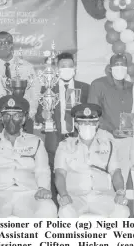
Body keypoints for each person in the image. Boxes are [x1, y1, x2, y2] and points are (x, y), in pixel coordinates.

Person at [0, 95, 56, 218]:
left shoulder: (36, 142)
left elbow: (42, 170)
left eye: (16, 115)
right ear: (1, 118)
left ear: (23, 119)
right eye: (7, 115)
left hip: (28, 194)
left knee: (48, 208)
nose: (11, 119)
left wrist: (43, 188)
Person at [54, 103, 130, 218]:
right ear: (76, 125)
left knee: (123, 211)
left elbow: (116, 172)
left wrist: (120, 192)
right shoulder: (65, 146)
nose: (87, 126)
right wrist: (63, 195)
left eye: (91, 123)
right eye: (83, 123)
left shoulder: (108, 145)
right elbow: (60, 174)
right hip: (74, 197)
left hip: (103, 197)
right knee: (65, 213)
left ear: (97, 124)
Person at [35, 52, 89, 204]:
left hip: (78, 140)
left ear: (75, 68)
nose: (67, 69)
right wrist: (44, 115)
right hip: (55, 141)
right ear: (57, 69)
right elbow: (39, 116)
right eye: (63, 66)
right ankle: (53, 211)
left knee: (76, 177)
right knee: (54, 177)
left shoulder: (84, 88)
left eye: (70, 66)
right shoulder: (48, 88)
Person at [0, 31, 41, 134]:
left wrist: (30, 113)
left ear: (12, 45)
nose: (2, 45)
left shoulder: (26, 67)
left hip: (23, 121)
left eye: (6, 42)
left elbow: (35, 92)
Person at [88, 54, 133, 185]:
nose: (120, 68)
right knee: (104, 175)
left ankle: (120, 201)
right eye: (117, 65)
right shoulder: (98, 84)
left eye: (123, 65)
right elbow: (93, 112)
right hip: (105, 136)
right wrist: (111, 129)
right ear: (109, 68)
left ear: (128, 68)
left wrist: (126, 131)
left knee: (122, 175)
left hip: (126, 138)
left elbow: (133, 111)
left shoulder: (132, 86)